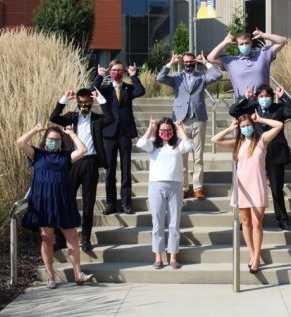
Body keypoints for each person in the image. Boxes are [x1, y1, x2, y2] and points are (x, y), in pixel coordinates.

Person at [17, 123, 94, 289]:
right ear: (45, 140)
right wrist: (35, 129)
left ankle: (78, 274)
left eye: (57, 140)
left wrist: (72, 134)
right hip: (43, 203)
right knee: (47, 239)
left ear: (61, 142)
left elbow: (83, 150)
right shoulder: (37, 154)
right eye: (51, 139)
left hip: (63, 202)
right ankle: (50, 276)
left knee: (72, 238)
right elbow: (21, 142)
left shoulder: (65, 157)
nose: (54, 142)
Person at [211, 112, 283, 274]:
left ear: (253, 125)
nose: (246, 129)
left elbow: (279, 125)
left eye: (248, 125)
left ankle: (257, 256)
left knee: (257, 223)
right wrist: (231, 128)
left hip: (257, 186)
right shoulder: (237, 143)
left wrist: (261, 119)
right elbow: (214, 140)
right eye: (243, 127)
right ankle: (252, 253)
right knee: (246, 222)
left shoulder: (262, 140)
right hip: (242, 187)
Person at [50, 88, 114, 252]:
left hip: (91, 162)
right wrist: (64, 99)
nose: (84, 105)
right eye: (81, 102)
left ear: (91, 102)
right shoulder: (71, 117)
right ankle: (60, 238)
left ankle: (85, 239)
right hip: (72, 161)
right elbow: (54, 117)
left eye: (86, 102)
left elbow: (111, 118)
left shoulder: (98, 119)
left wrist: (102, 100)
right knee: (64, 201)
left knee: (88, 203)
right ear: (77, 102)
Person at [229, 84, 291, 231]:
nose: (264, 99)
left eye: (267, 96)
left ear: (272, 98)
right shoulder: (251, 107)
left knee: (277, 189)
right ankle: (247, 219)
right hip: (255, 154)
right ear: (257, 97)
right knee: (251, 188)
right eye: (261, 96)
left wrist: (283, 96)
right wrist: (246, 98)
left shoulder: (278, 108)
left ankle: (282, 219)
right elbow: (233, 111)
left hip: (275, 153)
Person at [156, 52, 222, 199]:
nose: (188, 64)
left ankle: (198, 188)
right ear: (182, 63)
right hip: (180, 121)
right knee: (182, 157)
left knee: (198, 157)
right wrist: (170, 63)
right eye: (186, 62)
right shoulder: (176, 78)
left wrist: (206, 63)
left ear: (195, 63)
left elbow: (218, 75)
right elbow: (160, 77)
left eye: (191, 62)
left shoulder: (202, 77)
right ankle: (184, 187)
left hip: (198, 119)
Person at [136, 117, 194, 269]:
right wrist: (151, 128)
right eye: (162, 130)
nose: (165, 133)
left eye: (168, 130)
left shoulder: (178, 144)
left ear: (172, 131)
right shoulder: (153, 144)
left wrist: (180, 128)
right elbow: (140, 143)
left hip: (175, 185)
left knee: (174, 222)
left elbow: (189, 145)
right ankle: (158, 256)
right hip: (156, 185)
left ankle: (173, 256)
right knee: (157, 222)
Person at [91, 59, 145, 215]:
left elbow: (140, 91)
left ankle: (126, 203)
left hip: (125, 133)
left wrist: (134, 76)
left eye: (119, 70)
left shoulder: (128, 88)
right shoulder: (106, 89)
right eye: (113, 70)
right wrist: (99, 76)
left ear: (124, 72)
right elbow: (90, 90)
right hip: (109, 133)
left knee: (126, 169)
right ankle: (110, 203)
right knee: (110, 171)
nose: (116, 72)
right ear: (109, 71)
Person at [207, 29, 287, 99]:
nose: (244, 45)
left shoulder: (263, 54)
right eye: (241, 44)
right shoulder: (231, 61)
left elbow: (283, 41)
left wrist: (263, 35)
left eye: (247, 43)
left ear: (251, 43)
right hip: (243, 103)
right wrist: (224, 43)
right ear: (237, 46)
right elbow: (210, 58)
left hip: (262, 100)